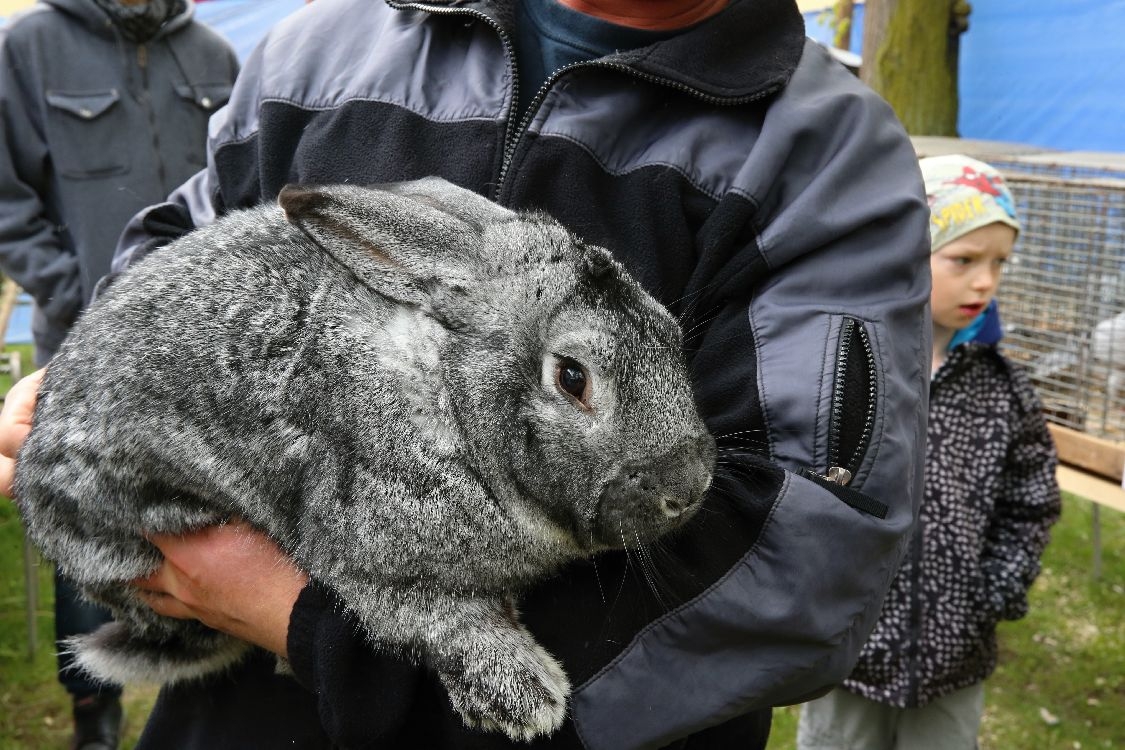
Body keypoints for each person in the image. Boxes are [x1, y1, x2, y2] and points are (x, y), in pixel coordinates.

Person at [1, 0, 933, 747]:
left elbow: (802, 556)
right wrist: (79, 396)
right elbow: (182, 243)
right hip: (244, 719)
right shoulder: (323, 54)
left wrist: (306, 622)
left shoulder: (824, 159)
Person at [0, 1, 238, 747]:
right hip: (82, 347)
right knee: (84, 517)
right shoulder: (31, 46)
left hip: (206, 356)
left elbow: (242, 191)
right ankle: (92, 705)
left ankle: (216, 659)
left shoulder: (215, 55)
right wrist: (75, 296)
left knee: (209, 508)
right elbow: (6, 198)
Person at [796, 154, 1062, 750]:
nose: (986, 282)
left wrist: (995, 590)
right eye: (964, 260)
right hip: (852, 649)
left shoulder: (1003, 388)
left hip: (955, 654)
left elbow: (1031, 498)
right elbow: (801, 486)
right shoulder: (850, 371)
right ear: (910, 253)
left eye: (999, 263)